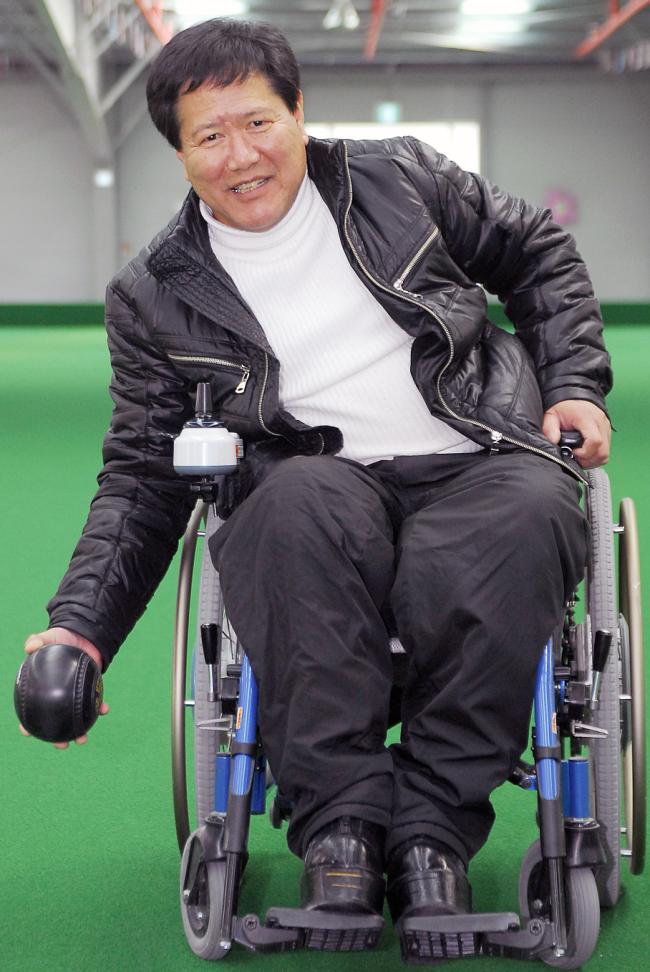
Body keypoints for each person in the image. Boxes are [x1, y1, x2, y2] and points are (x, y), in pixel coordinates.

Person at [22, 17, 612, 953]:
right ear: (180, 153)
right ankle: (341, 833)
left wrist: (574, 384)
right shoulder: (153, 293)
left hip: (473, 453)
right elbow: (142, 470)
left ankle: (431, 836)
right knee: (282, 514)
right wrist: (78, 629)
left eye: (258, 122)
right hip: (315, 478)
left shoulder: (401, 178)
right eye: (210, 136)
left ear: (299, 112)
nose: (241, 155)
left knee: (526, 515)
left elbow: (539, 254)